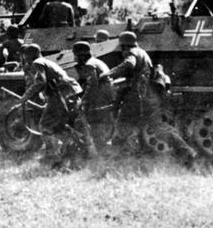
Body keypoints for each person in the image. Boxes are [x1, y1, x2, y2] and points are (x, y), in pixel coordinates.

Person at [100, 31, 196, 166]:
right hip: (149, 96)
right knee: (158, 127)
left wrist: (109, 74)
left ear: (124, 46)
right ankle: (187, 153)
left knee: (122, 124)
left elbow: (129, 64)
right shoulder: (142, 52)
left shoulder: (132, 52)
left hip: (138, 98)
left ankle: (114, 160)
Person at [19, 44, 97, 168]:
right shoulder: (47, 61)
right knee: (60, 126)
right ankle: (81, 150)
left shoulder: (37, 63)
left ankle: (53, 157)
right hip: (70, 93)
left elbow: (40, 82)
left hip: (60, 95)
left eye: (25, 56)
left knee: (45, 125)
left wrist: (25, 97)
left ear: (29, 55)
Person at [72, 41, 115, 150]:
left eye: (76, 56)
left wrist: (83, 100)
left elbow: (92, 85)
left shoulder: (89, 65)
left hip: (99, 98)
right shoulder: (97, 61)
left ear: (81, 56)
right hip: (107, 95)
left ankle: (101, 155)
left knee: (95, 125)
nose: (74, 59)